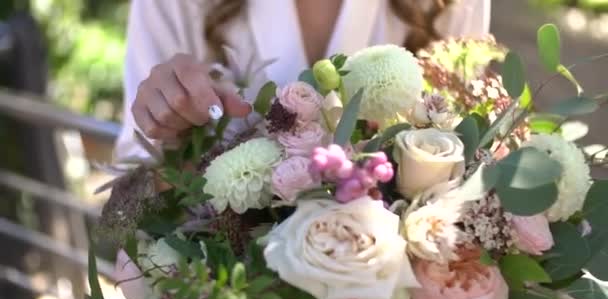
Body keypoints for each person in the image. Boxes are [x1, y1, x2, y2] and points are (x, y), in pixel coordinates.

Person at [115, 0, 490, 163]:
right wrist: (168, 123)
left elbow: (458, 154)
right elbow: (136, 173)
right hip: (220, 297)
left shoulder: (450, 4)